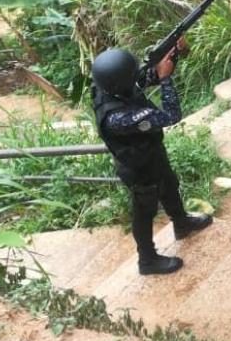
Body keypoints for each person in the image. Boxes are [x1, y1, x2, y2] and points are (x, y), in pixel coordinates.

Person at [91, 43, 212, 275]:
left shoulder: (107, 86)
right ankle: (147, 260)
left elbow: (141, 80)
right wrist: (166, 79)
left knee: (169, 185)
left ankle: (181, 222)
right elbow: (171, 115)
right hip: (138, 168)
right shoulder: (119, 118)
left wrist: (171, 56)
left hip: (151, 153)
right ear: (121, 81)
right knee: (145, 212)